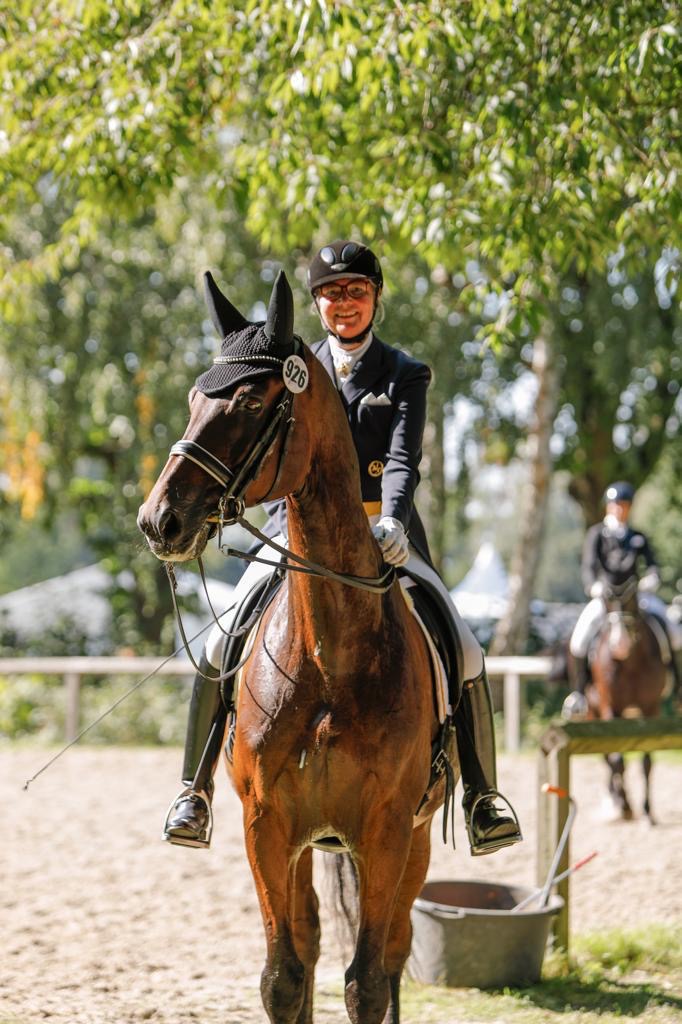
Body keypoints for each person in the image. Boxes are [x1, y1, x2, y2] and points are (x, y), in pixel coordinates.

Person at [164, 240, 522, 856]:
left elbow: (404, 461)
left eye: (356, 291)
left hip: (385, 531)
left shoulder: (404, 373)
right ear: (317, 304)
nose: (344, 303)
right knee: (220, 638)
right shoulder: (294, 374)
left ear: (375, 297)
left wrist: (393, 522)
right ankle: (192, 790)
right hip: (295, 535)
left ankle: (481, 796)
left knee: (462, 645)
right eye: (331, 293)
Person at [563, 480, 682, 718]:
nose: (620, 509)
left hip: (636, 598)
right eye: (616, 504)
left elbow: (652, 565)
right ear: (609, 506)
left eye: (624, 505)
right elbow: (588, 566)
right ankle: (578, 695)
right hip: (605, 600)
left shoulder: (637, 536)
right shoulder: (597, 534)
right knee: (579, 638)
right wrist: (593, 586)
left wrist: (652, 577)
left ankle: (679, 689)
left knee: (674, 633)